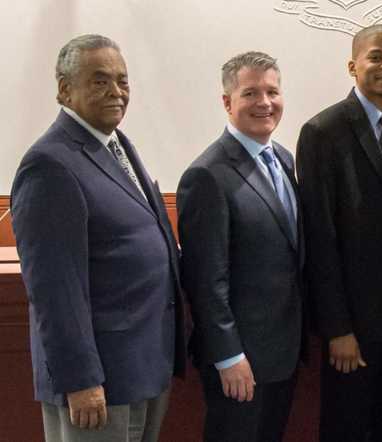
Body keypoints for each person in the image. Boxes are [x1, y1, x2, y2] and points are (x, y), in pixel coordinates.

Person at [10, 34, 185, 442]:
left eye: (123, 81)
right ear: (64, 90)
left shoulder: (116, 145)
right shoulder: (50, 164)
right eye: (100, 80)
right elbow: (55, 289)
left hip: (142, 368)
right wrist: (80, 380)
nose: (117, 92)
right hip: (99, 384)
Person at [296, 24, 382, 442]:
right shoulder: (322, 133)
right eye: (376, 57)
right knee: (346, 428)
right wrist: (337, 328)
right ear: (353, 66)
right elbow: (320, 238)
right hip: (351, 329)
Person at [177, 51, 303, 442]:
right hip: (240, 361)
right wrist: (229, 355)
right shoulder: (206, 175)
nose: (264, 103)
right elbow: (205, 280)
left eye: (272, 91)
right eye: (250, 93)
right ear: (227, 102)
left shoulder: (282, 158)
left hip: (282, 352)